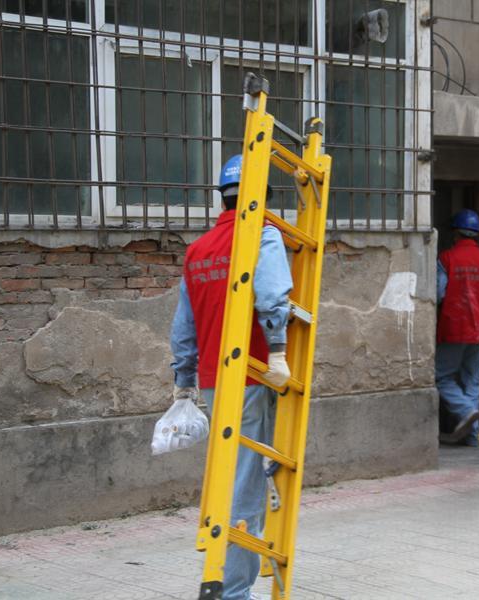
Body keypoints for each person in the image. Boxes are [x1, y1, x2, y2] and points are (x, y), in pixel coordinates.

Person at [169, 154, 293, 599]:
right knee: (245, 484)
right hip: (254, 374)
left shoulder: (198, 250)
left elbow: (183, 327)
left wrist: (184, 381)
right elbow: (272, 295)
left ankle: (226, 577)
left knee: (228, 473)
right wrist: (277, 351)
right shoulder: (263, 233)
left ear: (222, 198)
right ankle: (231, 589)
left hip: (212, 379)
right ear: (262, 197)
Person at [436, 209, 479, 445]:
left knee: (441, 377)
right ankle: (472, 436)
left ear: (455, 233)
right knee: (472, 380)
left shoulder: (447, 258)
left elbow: (438, 293)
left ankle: (465, 410)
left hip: (454, 327)